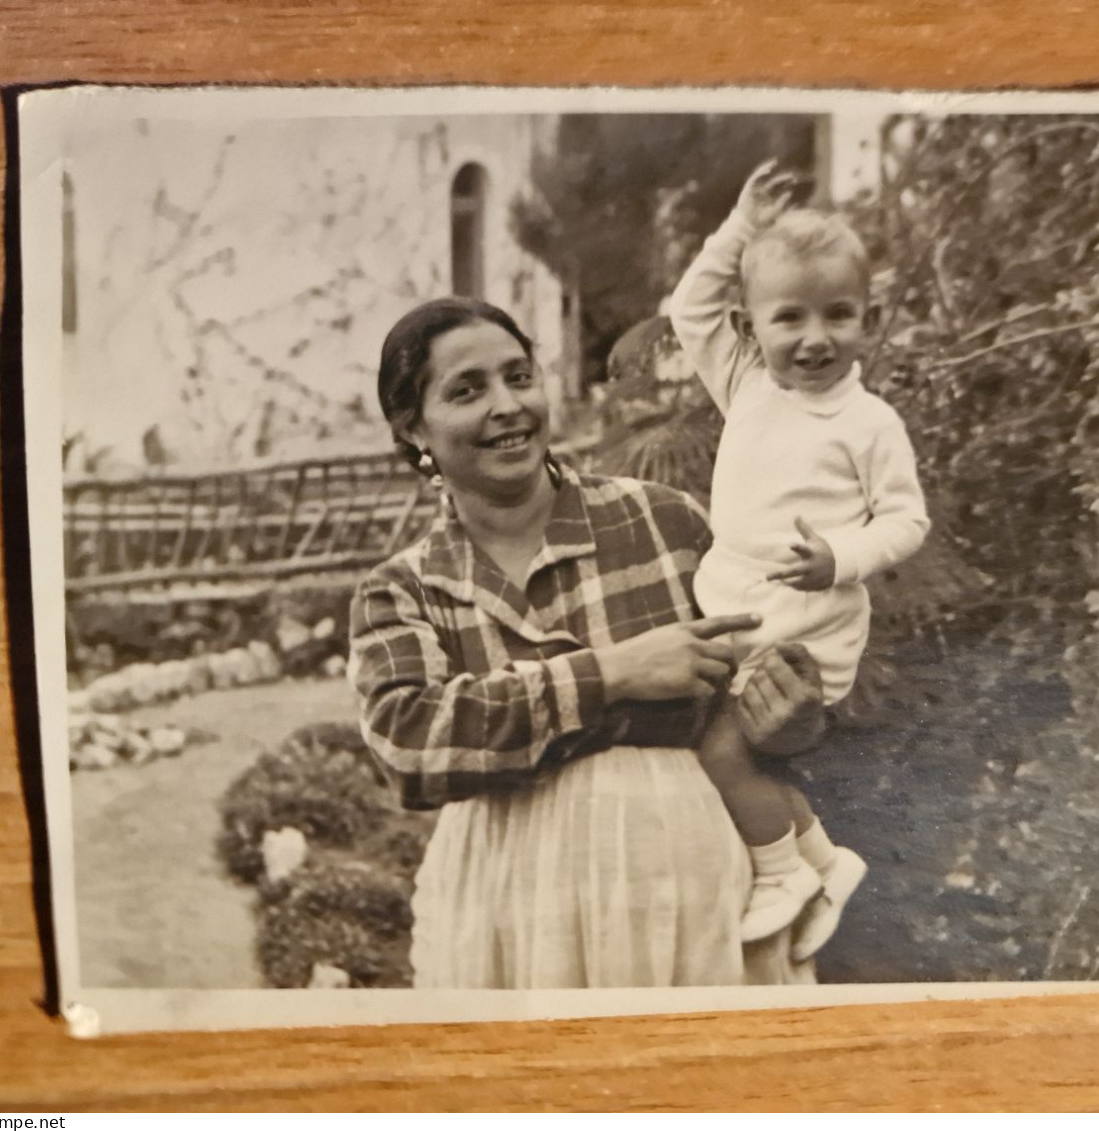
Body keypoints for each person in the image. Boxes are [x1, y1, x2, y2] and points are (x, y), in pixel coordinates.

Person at [348, 296, 827, 989]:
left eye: (519, 376)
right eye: (467, 390)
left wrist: (792, 714)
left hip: (687, 886)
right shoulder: (406, 588)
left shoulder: (664, 522)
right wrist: (610, 674)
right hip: (507, 906)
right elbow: (410, 743)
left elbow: (761, 681)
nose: (507, 405)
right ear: (413, 426)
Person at [668, 160, 930, 961]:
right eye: (790, 318)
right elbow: (689, 306)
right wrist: (740, 228)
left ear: (868, 318)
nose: (815, 338)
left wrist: (840, 557)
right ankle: (823, 858)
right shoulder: (745, 384)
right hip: (737, 605)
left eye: (838, 315)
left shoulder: (870, 420)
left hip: (807, 625)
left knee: (723, 749)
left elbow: (907, 518)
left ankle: (780, 873)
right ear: (750, 326)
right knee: (712, 738)